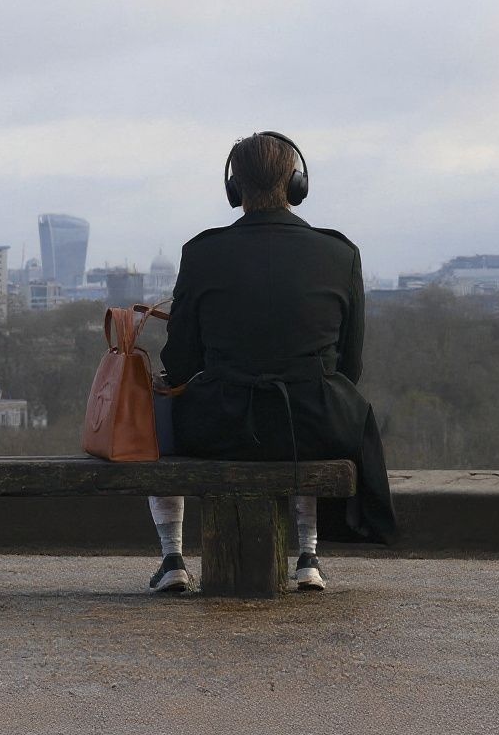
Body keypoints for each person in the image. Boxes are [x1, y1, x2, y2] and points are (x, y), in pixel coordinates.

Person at [147, 131, 397, 594]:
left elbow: (179, 364)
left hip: (220, 426)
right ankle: (308, 556)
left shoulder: (201, 253)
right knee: (306, 411)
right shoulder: (340, 254)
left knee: (152, 407)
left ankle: (173, 557)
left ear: (234, 188)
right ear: (296, 184)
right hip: (316, 423)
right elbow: (351, 365)